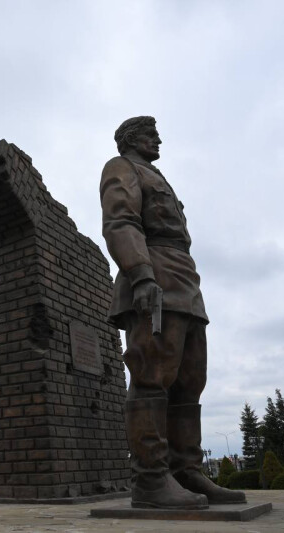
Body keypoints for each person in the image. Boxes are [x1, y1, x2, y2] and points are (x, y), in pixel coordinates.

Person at [99, 116, 246, 509]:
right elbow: (120, 221)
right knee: (153, 374)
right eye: (151, 134)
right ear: (131, 139)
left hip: (185, 281)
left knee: (190, 379)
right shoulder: (121, 167)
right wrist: (141, 275)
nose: (158, 140)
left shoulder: (157, 176)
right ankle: (150, 479)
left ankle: (186, 471)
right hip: (155, 272)